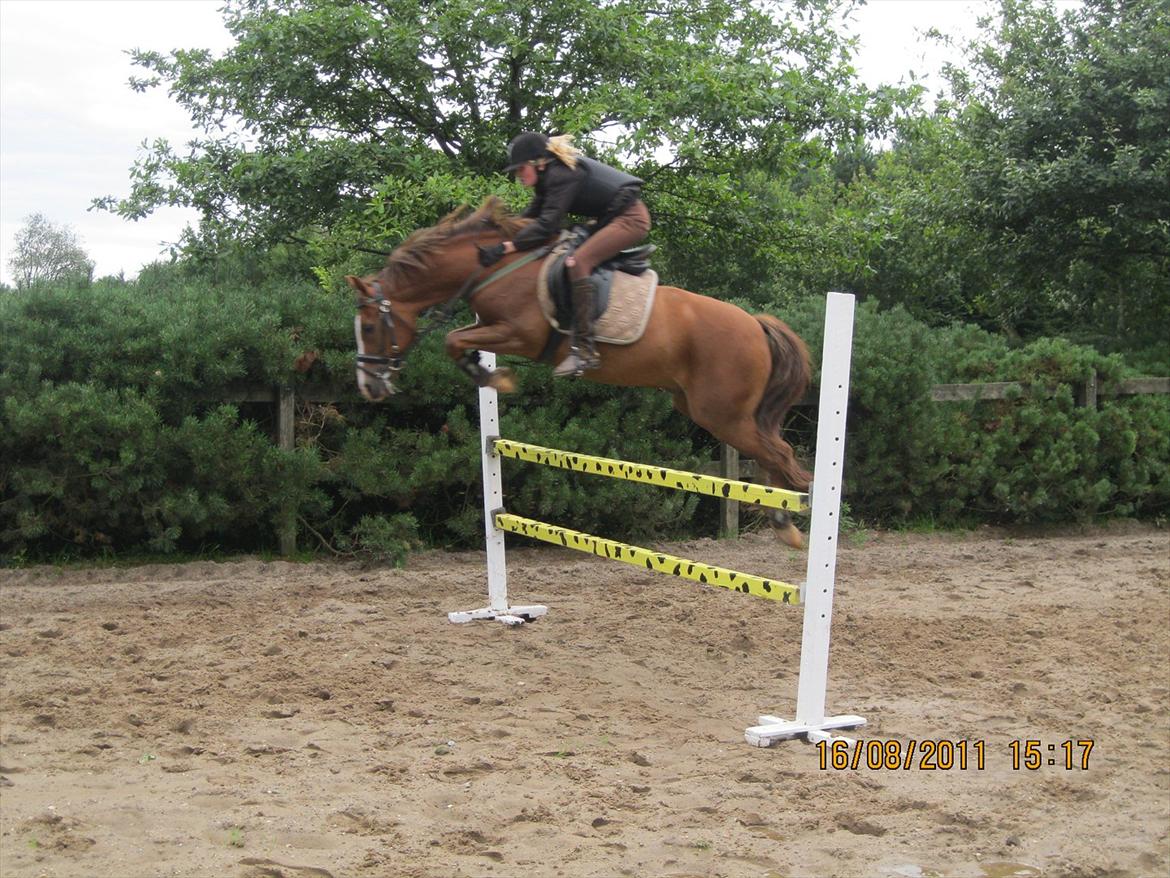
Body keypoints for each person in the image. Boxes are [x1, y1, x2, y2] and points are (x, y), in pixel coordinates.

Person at [479, 132, 650, 377]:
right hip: (611, 218)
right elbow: (529, 220)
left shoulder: (561, 176)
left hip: (631, 219)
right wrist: (496, 233)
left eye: (520, 169)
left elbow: (546, 225)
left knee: (577, 261)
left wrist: (508, 247)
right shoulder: (546, 181)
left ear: (539, 163)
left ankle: (585, 349)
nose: (518, 176)